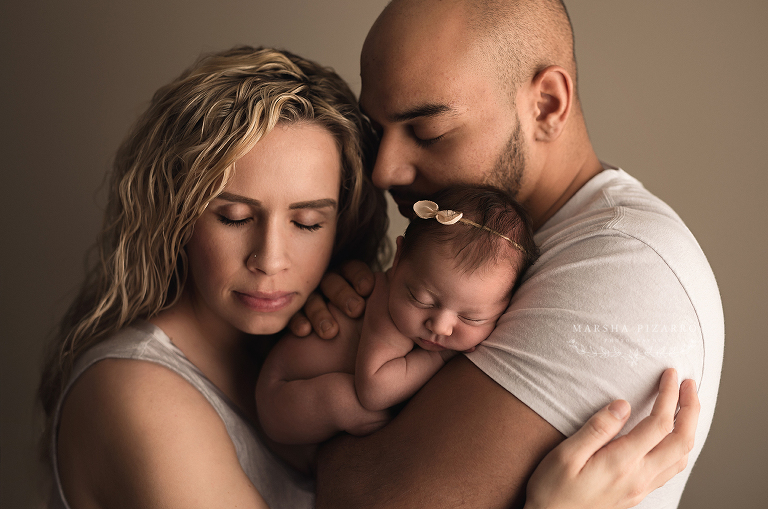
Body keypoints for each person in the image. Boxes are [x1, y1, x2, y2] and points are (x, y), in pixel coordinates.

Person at [37, 43, 698, 509]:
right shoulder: (135, 394)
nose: (272, 259)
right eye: (235, 216)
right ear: (176, 216)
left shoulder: (325, 337)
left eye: (307, 223)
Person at [294, 0, 723, 508]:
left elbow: (360, 497)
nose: (384, 171)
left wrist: (318, 423)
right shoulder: (452, 254)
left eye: (427, 131)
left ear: (545, 104)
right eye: (377, 132)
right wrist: (330, 345)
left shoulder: (627, 268)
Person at [256, 186, 538, 444]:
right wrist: (438, 356)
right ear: (398, 259)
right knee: (351, 401)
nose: (439, 326)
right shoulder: (386, 309)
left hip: (299, 404)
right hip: (281, 396)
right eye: (420, 299)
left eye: (471, 318)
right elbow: (375, 390)